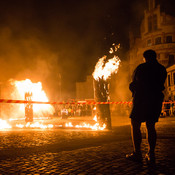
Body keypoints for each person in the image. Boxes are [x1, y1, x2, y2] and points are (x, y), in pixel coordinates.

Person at [126, 50, 167, 163]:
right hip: (155, 100)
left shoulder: (141, 68)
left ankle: (137, 153)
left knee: (135, 124)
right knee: (151, 125)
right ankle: (151, 153)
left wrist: (133, 89)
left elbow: (135, 83)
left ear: (145, 58)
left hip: (141, 99)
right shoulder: (162, 69)